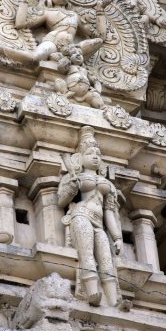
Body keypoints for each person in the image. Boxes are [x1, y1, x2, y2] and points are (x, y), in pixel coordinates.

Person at [57, 126, 123, 307]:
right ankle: (93, 293)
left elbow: (109, 211)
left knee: (106, 258)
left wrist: (117, 237)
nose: (95, 156)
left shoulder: (107, 184)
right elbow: (62, 201)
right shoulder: (76, 177)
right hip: (81, 215)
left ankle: (113, 300)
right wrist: (72, 187)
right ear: (80, 158)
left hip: (99, 223)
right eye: (90, 153)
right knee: (87, 254)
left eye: (98, 153)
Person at [0, 0, 102, 66]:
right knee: (36, 57)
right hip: (53, 42)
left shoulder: (74, 16)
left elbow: (99, 36)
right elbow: (20, 24)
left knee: (98, 42)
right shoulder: (47, 13)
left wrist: (100, 12)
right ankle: (0, 49)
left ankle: (69, 57)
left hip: (71, 47)